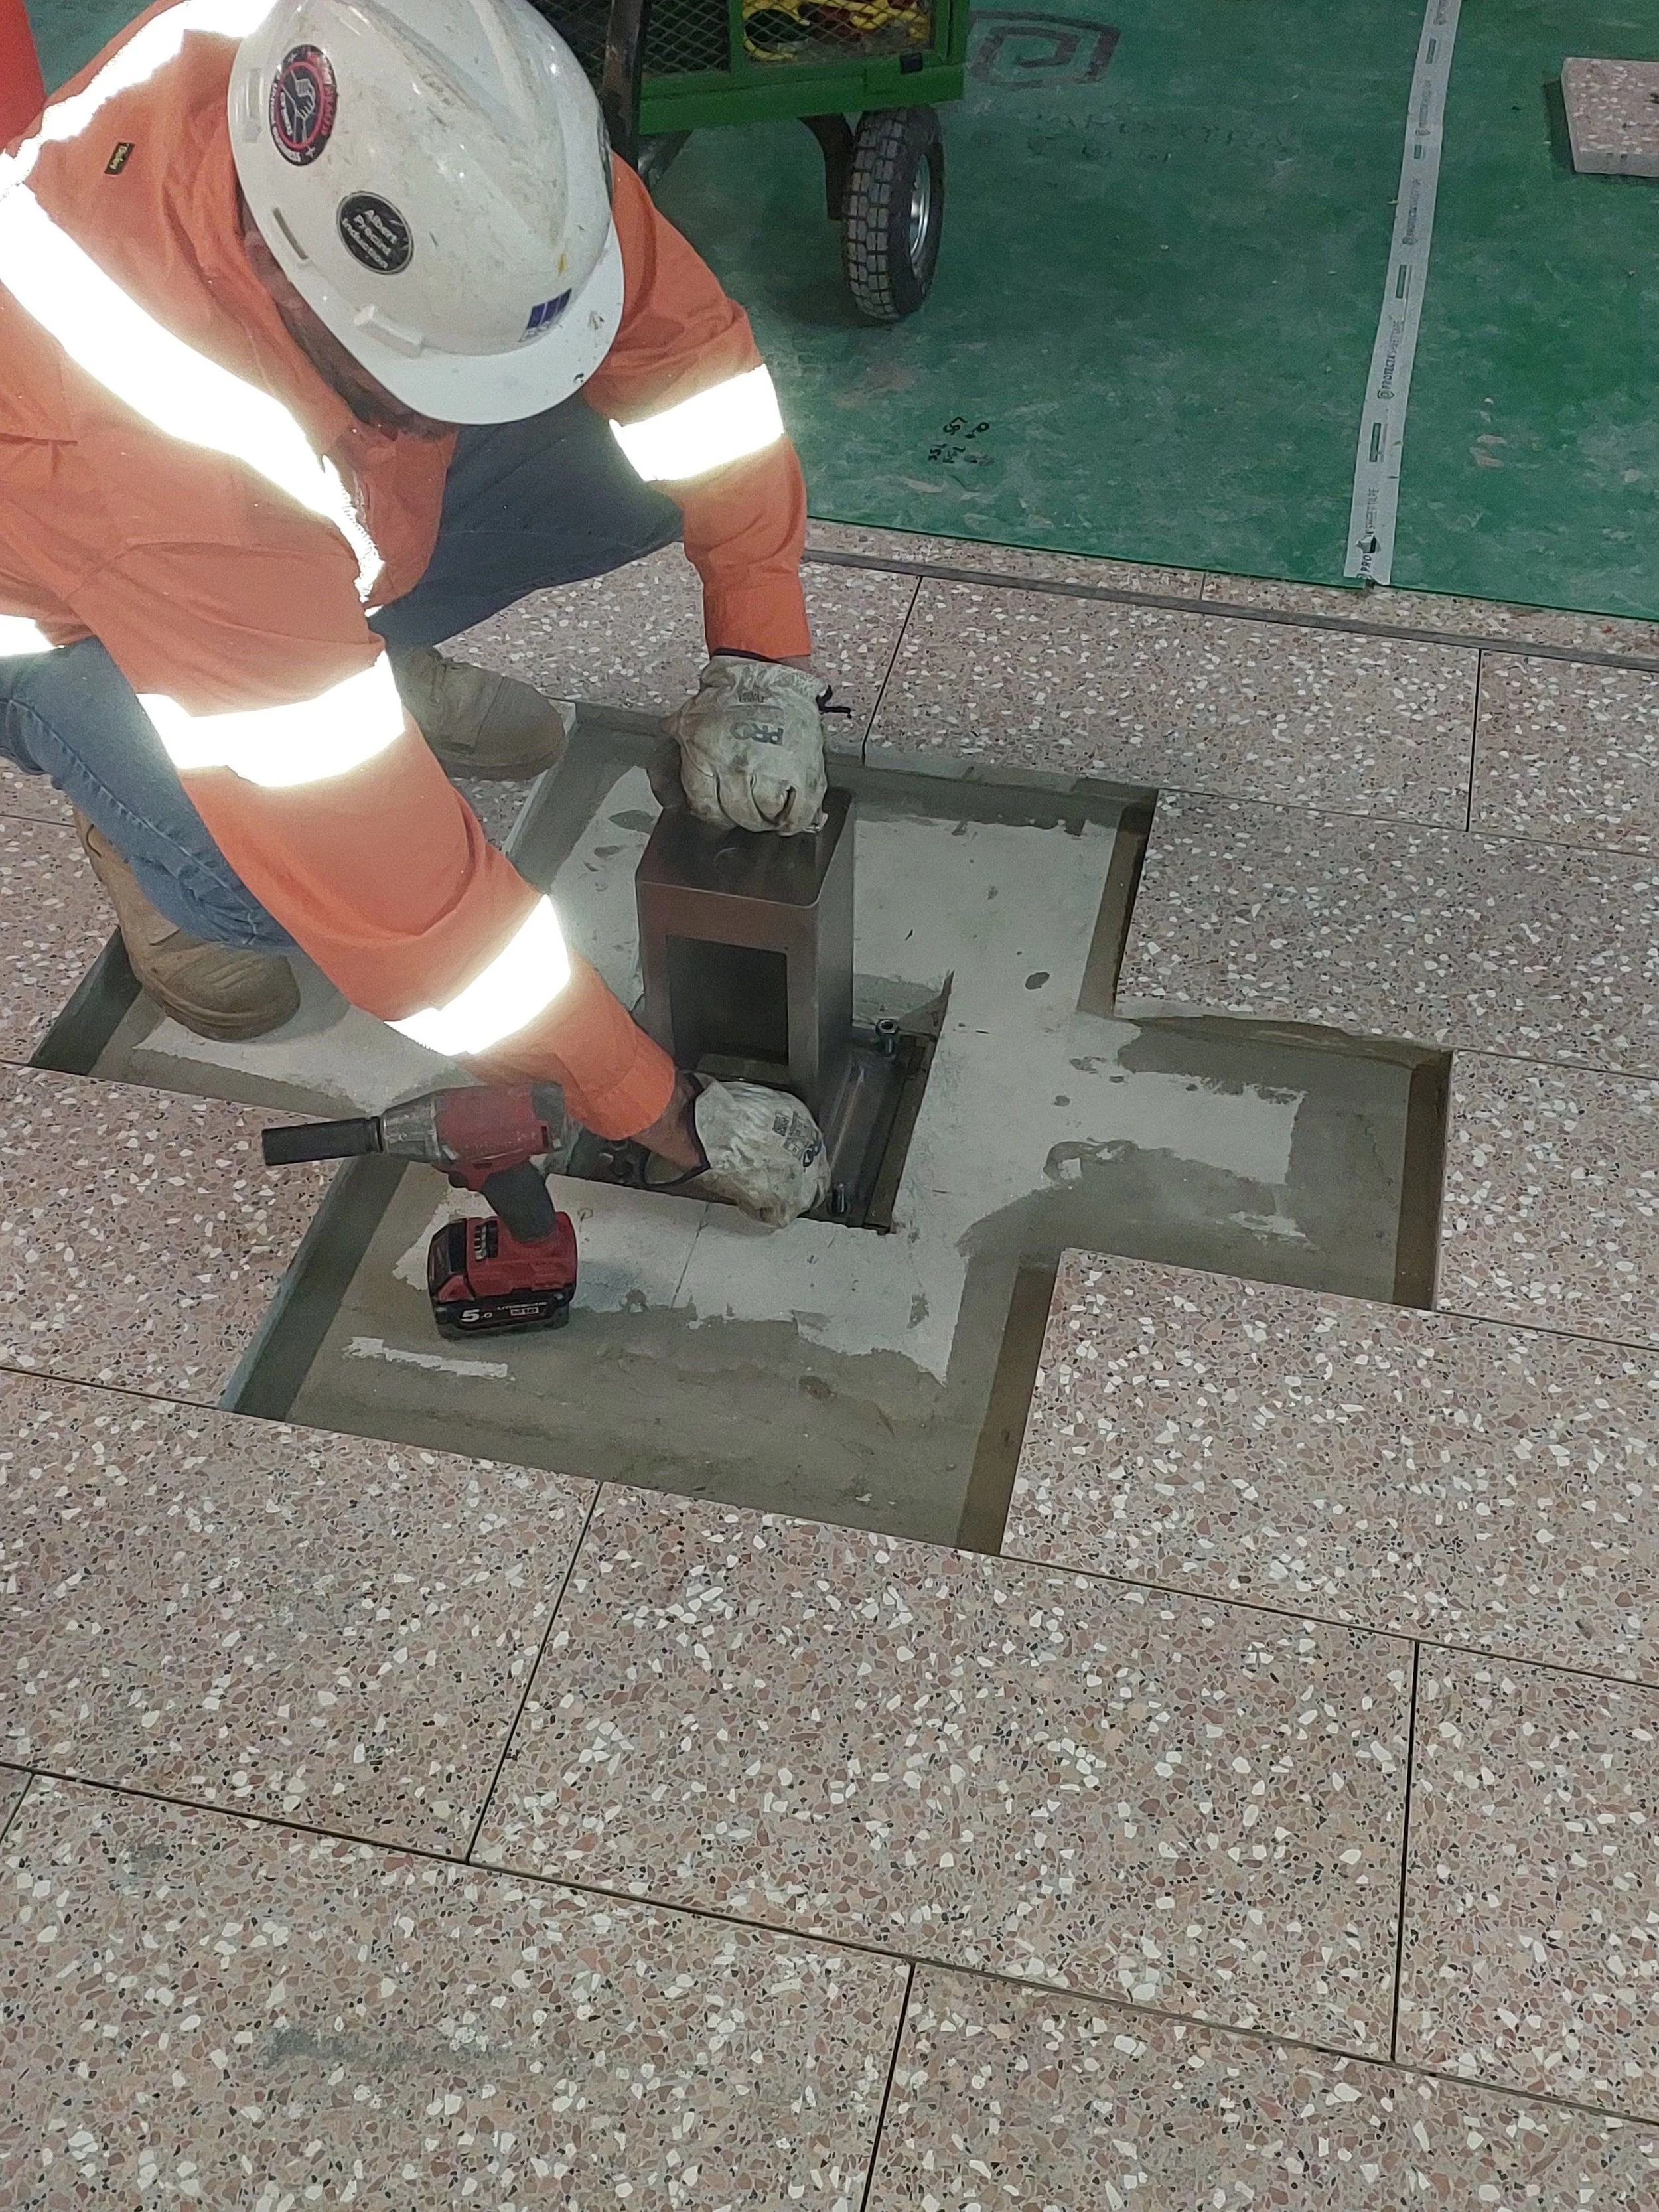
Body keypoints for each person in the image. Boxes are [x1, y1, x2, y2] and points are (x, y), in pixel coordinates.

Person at [0, 0, 831, 1226]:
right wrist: (659, 1110)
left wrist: (762, 649)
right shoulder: (154, 457)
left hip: (279, 534)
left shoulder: (433, 91)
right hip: (65, 617)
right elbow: (412, 915)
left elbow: (689, 360)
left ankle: (346, 661)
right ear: (298, 285)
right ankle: (153, 792)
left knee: (627, 471)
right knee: (271, 883)